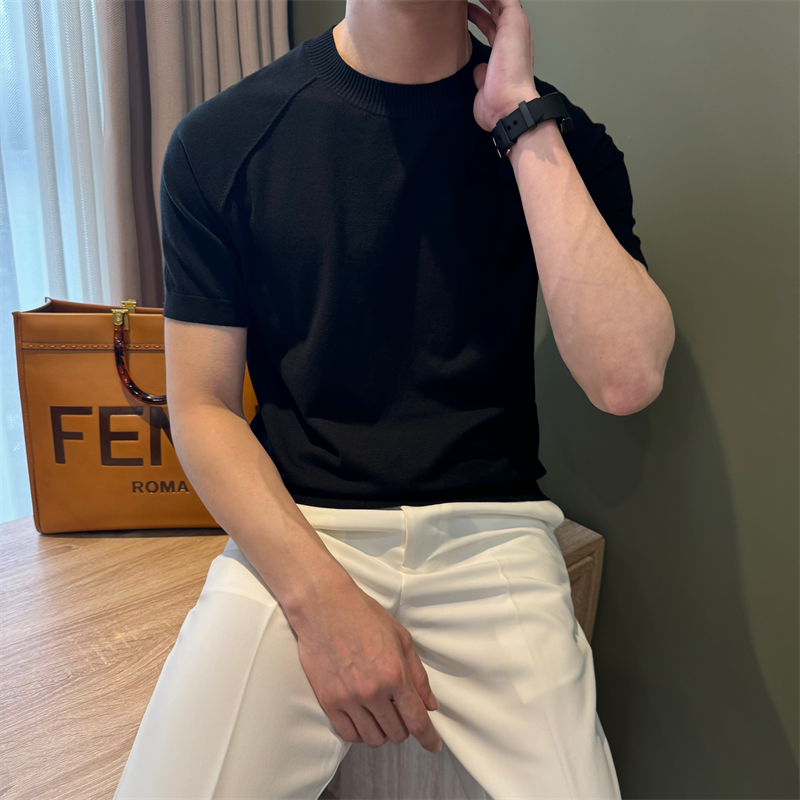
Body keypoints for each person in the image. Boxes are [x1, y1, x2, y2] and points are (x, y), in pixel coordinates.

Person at [113, 1, 673, 798]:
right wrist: (321, 603)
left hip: (493, 535)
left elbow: (626, 378)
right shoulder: (222, 140)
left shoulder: (556, 139)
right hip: (301, 531)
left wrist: (519, 117)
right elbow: (202, 406)